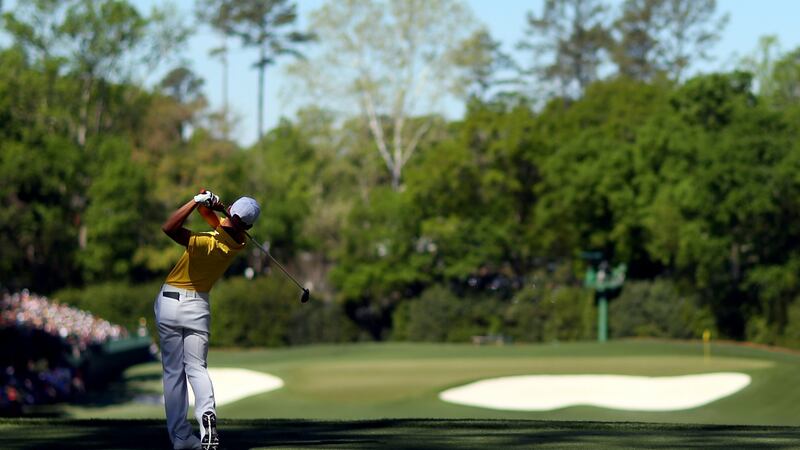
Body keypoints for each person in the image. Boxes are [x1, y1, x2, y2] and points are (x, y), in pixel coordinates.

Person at [156, 190, 260, 450]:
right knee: (197, 368)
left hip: (171, 301)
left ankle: (181, 438)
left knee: (173, 372)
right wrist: (211, 203)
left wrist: (194, 200)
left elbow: (169, 227)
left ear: (232, 214)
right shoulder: (238, 242)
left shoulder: (205, 241)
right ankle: (207, 423)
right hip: (199, 306)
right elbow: (216, 220)